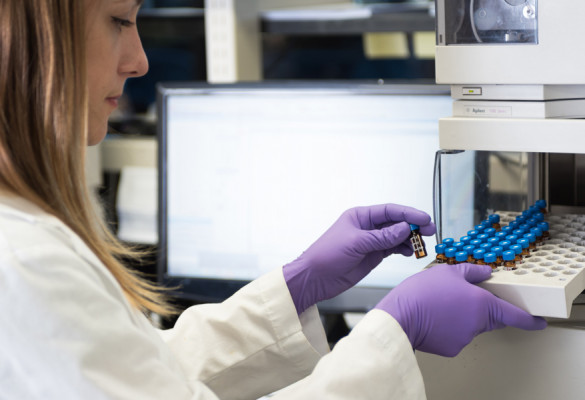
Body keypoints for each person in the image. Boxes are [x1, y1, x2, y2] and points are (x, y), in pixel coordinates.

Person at [0, 1, 546, 399]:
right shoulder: (26, 262)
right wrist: (392, 333)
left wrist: (295, 287)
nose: (140, 60)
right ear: (32, 32)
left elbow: (143, 373)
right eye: (119, 20)